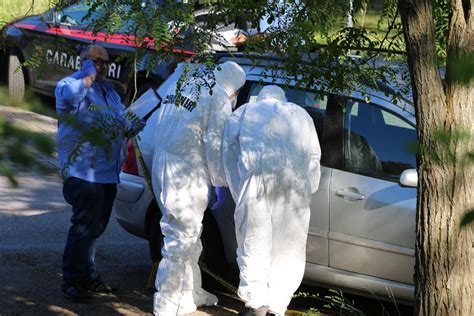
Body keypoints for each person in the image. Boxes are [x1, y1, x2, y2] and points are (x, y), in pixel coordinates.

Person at [150, 61, 246, 315]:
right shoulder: (218, 98)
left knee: (191, 237)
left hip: (163, 165)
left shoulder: (185, 86)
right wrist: (219, 182)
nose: (235, 97)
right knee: (180, 239)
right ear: (232, 86)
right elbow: (215, 144)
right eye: (237, 92)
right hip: (185, 174)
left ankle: (191, 291)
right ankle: (166, 304)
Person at [222, 85, 322, 316]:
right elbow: (314, 157)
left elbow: (228, 155)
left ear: (261, 97)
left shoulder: (244, 112)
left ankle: (257, 305)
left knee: (254, 243)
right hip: (294, 190)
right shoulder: (302, 115)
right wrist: (306, 189)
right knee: (289, 247)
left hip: (257, 185)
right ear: (283, 99)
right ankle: (278, 306)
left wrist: (240, 190)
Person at [56, 45, 143, 302]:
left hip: (107, 174)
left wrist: (131, 126)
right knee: (83, 228)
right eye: (95, 61)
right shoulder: (69, 85)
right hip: (83, 173)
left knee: (95, 229)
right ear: (81, 62)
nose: (101, 66)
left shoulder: (110, 92)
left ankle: (88, 277)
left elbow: (120, 120)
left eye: (104, 62)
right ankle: (72, 281)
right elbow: (70, 98)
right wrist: (88, 75)